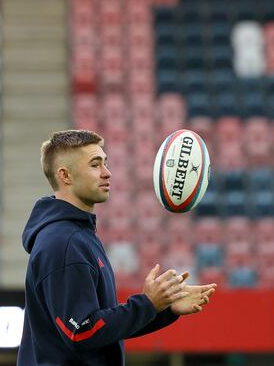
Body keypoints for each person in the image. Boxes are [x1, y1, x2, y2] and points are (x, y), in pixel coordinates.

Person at [18, 129, 217, 365]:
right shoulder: (63, 243)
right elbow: (81, 331)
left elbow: (102, 331)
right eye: (95, 165)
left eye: (105, 163)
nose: (107, 173)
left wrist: (163, 309)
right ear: (65, 175)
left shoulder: (78, 236)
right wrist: (148, 304)